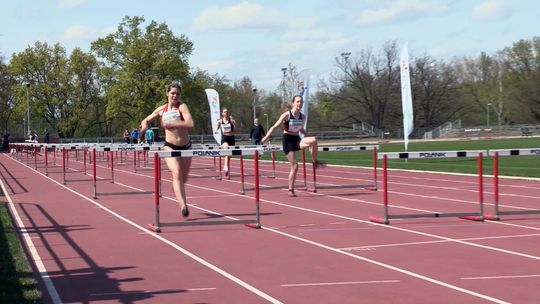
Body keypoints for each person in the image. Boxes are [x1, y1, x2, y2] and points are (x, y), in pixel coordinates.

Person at [139, 81, 194, 217]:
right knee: (176, 172)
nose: (175, 96)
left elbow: (190, 123)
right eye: (172, 93)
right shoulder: (161, 110)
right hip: (170, 146)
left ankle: (177, 188)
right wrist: (144, 127)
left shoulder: (182, 107)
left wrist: (173, 123)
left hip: (186, 146)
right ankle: (183, 206)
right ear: (167, 94)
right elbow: (146, 120)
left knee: (183, 178)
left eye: (177, 94)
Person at [261, 95, 323, 197]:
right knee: (295, 166)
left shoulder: (303, 117)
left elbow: (301, 129)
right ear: (293, 103)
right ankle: (290, 189)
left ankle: (314, 161)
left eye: (301, 102)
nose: (300, 104)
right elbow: (274, 126)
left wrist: (308, 136)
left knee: (314, 140)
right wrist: (266, 137)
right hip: (287, 140)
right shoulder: (286, 115)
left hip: (297, 139)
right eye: (298, 102)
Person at [215, 107, 236, 176]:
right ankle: (226, 166)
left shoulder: (231, 120)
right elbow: (216, 128)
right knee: (227, 149)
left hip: (231, 138)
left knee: (229, 155)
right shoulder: (220, 121)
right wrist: (216, 129)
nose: (226, 113)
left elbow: (235, 129)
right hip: (225, 138)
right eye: (224, 112)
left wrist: (234, 123)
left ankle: (227, 167)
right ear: (222, 113)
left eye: (227, 111)